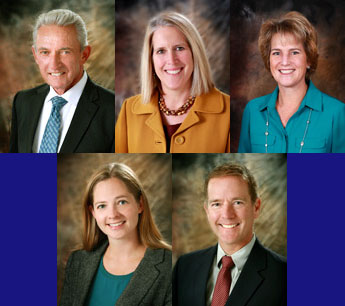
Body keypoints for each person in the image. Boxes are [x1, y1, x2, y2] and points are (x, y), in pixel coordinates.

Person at [173, 163, 286, 306]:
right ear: (207, 210)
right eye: (216, 204)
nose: (227, 214)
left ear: (256, 207)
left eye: (237, 202)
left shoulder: (284, 274)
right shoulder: (185, 266)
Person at [115, 11, 230, 153]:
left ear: (195, 53)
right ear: (150, 59)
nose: (171, 60)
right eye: (161, 51)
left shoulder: (228, 110)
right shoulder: (129, 111)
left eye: (179, 48)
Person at [60, 163, 172, 306]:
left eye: (121, 202)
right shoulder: (78, 261)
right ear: (93, 212)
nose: (113, 214)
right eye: (102, 206)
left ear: (140, 204)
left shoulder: (168, 266)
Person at [238, 11, 345, 153]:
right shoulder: (252, 111)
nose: (284, 61)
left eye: (294, 52)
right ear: (268, 60)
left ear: (309, 59)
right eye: (276, 53)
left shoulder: (336, 113)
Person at [9, 9, 114, 153]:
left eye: (65, 51)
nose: (54, 64)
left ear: (84, 54)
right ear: (35, 55)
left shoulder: (114, 110)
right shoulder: (23, 102)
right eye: (45, 52)